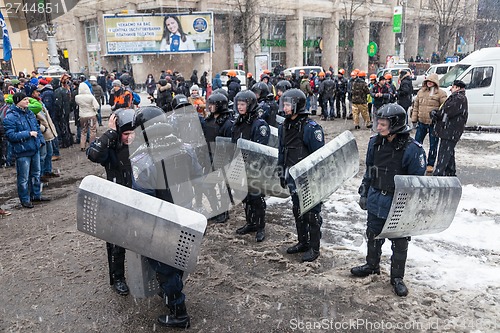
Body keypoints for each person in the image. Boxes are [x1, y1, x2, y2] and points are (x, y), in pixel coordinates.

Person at [131, 106, 202, 328]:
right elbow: (199, 175)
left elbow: (143, 199)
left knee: (164, 266)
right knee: (178, 258)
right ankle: (172, 292)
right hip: (187, 214)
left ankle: (179, 313)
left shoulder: (143, 157)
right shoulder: (186, 148)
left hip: (161, 221)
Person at [351, 103, 426, 297]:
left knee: (399, 243)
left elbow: (417, 185)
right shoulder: (374, 142)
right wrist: (364, 192)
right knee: (373, 235)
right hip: (377, 198)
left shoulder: (413, 149)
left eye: (383, 124)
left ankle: (397, 278)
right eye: (378, 122)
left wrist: (411, 210)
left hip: (398, 204)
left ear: (395, 125)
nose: (378, 127)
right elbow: (370, 170)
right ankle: (372, 265)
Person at [87, 108, 136, 296]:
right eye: (125, 134)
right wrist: (110, 133)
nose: (129, 137)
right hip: (116, 199)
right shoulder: (111, 149)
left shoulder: (141, 144)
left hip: (139, 198)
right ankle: (118, 278)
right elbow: (93, 154)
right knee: (117, 242)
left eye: (132, 133)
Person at [278, 89, 325, 262]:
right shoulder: (284, 126)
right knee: (297, 210)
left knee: (312, 214)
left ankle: (314, 247)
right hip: (292, 176)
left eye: (288, 104)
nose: (285, 107)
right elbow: (282, 150)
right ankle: (302, 242)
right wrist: (281, 171)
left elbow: (320, 157)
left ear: (297, 105)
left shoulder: (310, 128)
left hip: (309, 179)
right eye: (284, 104)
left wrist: (317, 180)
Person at [231, 90, 270, 242]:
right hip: (241, 164)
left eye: (243, 104)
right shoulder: (238, 122)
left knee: (256, 197)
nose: (240, 107)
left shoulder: (259, 124)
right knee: (245, 196)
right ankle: (250, 222)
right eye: (238, 104)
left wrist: (253, 165)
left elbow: (261, 149)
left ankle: (260, 227)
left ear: (250, 105)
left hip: (255, 167)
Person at [4, 92, 50, 208]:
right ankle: (25, 199)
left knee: (36, 174)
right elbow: (11, 135)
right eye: (25, 99)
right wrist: (28, 134)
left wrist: (40, 141)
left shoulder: (29, 113)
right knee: (23, 177)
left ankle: (36, 195)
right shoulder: (10, 117)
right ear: (18, 101)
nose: (27, 101)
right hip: (22, 151)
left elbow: (37, 129)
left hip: (34, 148)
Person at [411, 73, 448, 174]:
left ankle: (430, 164)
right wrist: (414, 119)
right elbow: (416, 106)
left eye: (431, 81)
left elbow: (445, 107)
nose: (429, 83)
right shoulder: (421, 92)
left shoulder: (441, 93)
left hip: (433, 124)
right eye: (428, 81)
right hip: (421, 122)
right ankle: (415, 160)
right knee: (417, 143)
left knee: (433, 144)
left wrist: (439, 117)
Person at [432, 80, 468, 177]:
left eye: (453, 86)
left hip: (450, 131)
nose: (451, 88)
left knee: (444, 153)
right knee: (449, 152)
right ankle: (451, 172)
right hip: (450, 131)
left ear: (458, 88)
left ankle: (438, 174)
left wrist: (437, 114)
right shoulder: (458, 97)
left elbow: (448, 111)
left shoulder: (459, 98)